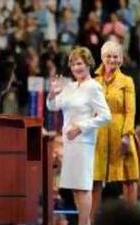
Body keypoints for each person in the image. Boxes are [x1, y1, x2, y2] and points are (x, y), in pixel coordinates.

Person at [46, 46, 111, 225]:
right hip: (69, 142)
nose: (76, 68)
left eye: (80, 63)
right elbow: (53, 106)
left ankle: (85, 223)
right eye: (73, 64)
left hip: (84, 142)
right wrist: (52, 93)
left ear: (88, 63)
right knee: (76, 188)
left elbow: (106, 116)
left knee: (83, 187)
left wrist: (81, 127)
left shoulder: (94, 87)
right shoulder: (70, 86)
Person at [91, 40, 140, 220]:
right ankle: (92, 220)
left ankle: (133, 219)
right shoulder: (93, 82)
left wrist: (127, 136)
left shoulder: (127, 81)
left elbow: (130, 110)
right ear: (102, 58)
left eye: (116, 56)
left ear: (121, 59)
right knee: (94, 179)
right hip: (99, 132)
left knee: (129, 178)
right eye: (109, 56)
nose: (112, 59)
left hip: (121, 132)